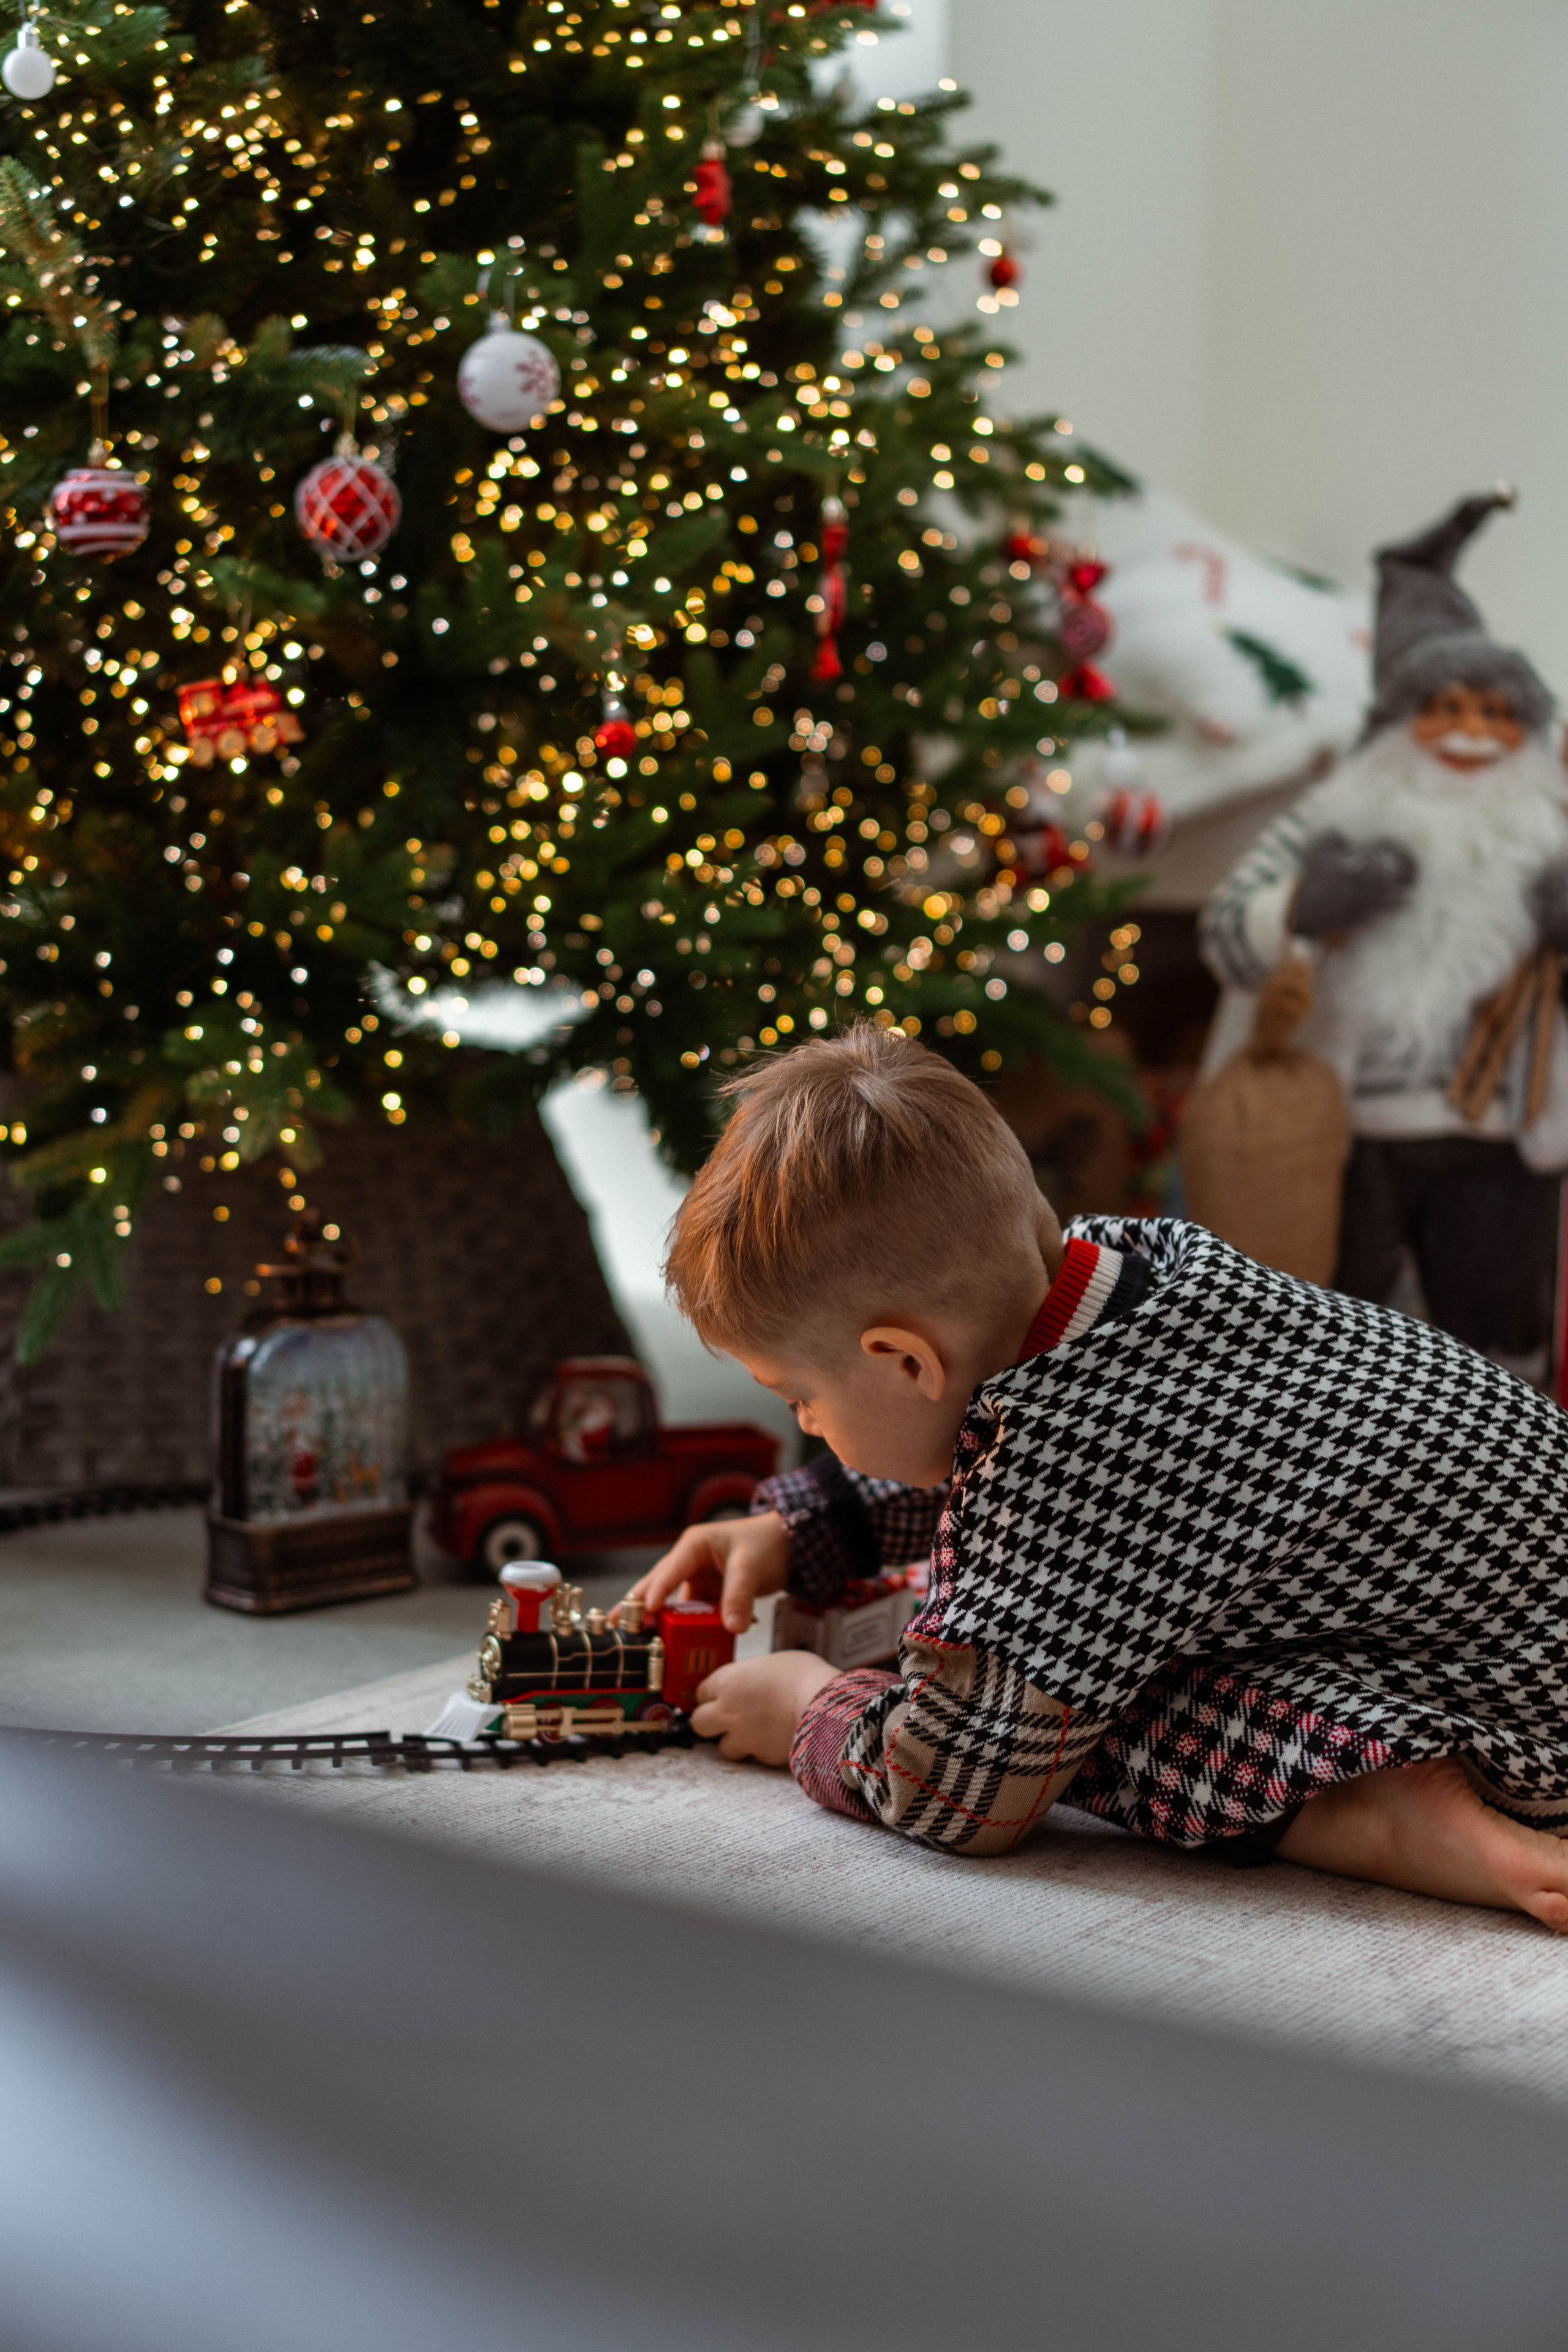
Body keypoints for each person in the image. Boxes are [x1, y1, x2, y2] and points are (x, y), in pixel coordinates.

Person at [627, 1024, 1568, 1932]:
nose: (807, 1426)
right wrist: (807, 1527)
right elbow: (1027, 1459)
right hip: (1514, 1619)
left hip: (1524, 1724)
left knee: (1054, 1714)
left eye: (800, 1399)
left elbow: (953, 1791)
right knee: (1093, 1640)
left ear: (906, 1362)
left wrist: (805, 1702)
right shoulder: (1146, 1272)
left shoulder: (1064, 1481)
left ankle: (1382, 1819)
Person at [1200, 488, 1568, 1378]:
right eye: (1449, 709)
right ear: (1398, 724)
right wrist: (1301, 906)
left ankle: (1502, 1490)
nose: (1474, 736)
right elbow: (1224, 934)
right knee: (1345, 1341)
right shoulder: (1333, 816)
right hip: (1347, 1131)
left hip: (1505, 1146)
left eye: (1496, 714)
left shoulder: (1551, 828)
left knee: (1496, 1346)